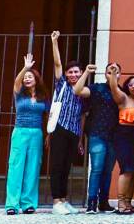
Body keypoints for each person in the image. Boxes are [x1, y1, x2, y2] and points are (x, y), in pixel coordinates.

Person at [73, 62, 120, 214]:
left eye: (116, 72)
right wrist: (86, 72)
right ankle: (91, 203)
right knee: (97, 169)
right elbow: (78, 90)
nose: (112, 74)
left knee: (108, 171)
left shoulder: (121, 91)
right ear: (104, 74)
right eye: (109, 72)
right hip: (97, 134)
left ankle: (104, 202)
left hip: (114, 137)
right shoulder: (97, 88)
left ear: (120, 75)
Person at [5, 53, 49, 215]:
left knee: (32, 168)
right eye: (26, 77)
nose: (27, 79)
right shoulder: (19, 93)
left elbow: (50, 116)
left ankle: (28, 203)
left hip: (36, 133)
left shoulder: (43, 97)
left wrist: (48, 135)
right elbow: (17, 81)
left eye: (30, 76)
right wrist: (26, 68)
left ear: (36, 80)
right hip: (20, 132)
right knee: (15, 167)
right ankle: (12, 204)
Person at [49, 30, 85, 215]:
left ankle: (63, 199)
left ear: (81, 73)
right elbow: (57, 63)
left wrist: (80, 139)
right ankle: (56, 201)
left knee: (66, 166)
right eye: (70, 72)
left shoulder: (83, 89)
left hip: (73, 131)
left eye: (76, 72)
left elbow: (82, 116)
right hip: (59, 129)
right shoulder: (62, 83)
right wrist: (55, 42)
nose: (73, 74)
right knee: (57, 165)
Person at [107, 64, 134, 214]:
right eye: (130, 84)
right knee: (126, 169)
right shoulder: (123, 98)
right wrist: (113, 74)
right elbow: (113, 88)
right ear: (127, 87)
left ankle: (128, 203)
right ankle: (121, 203)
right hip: (123, 135)